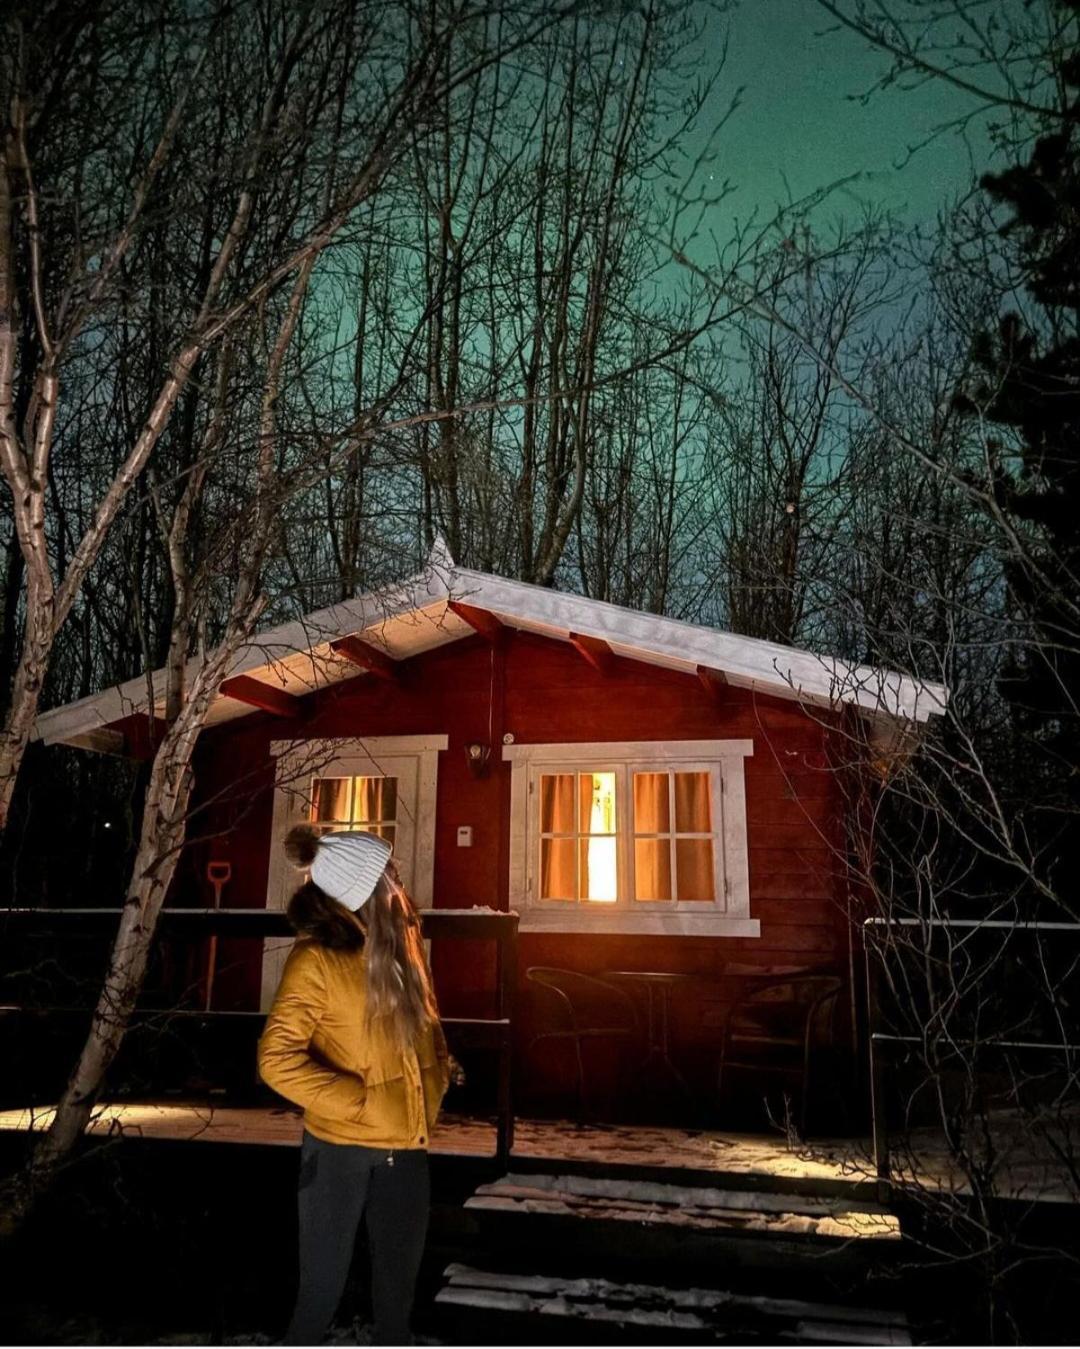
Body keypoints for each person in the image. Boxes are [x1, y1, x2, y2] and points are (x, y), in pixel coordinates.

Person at [258, 824, 452, 1346]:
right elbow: (275, 1060)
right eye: (386, 875)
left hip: (407, 1149)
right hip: (339, 1151)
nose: (397, 881)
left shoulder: (399, 950)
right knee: (320, 1291)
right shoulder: (317, 960)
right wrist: (358, 1102)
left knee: (397, 1300)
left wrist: (438, 1073)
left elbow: (423, 1033)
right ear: (359, 890)